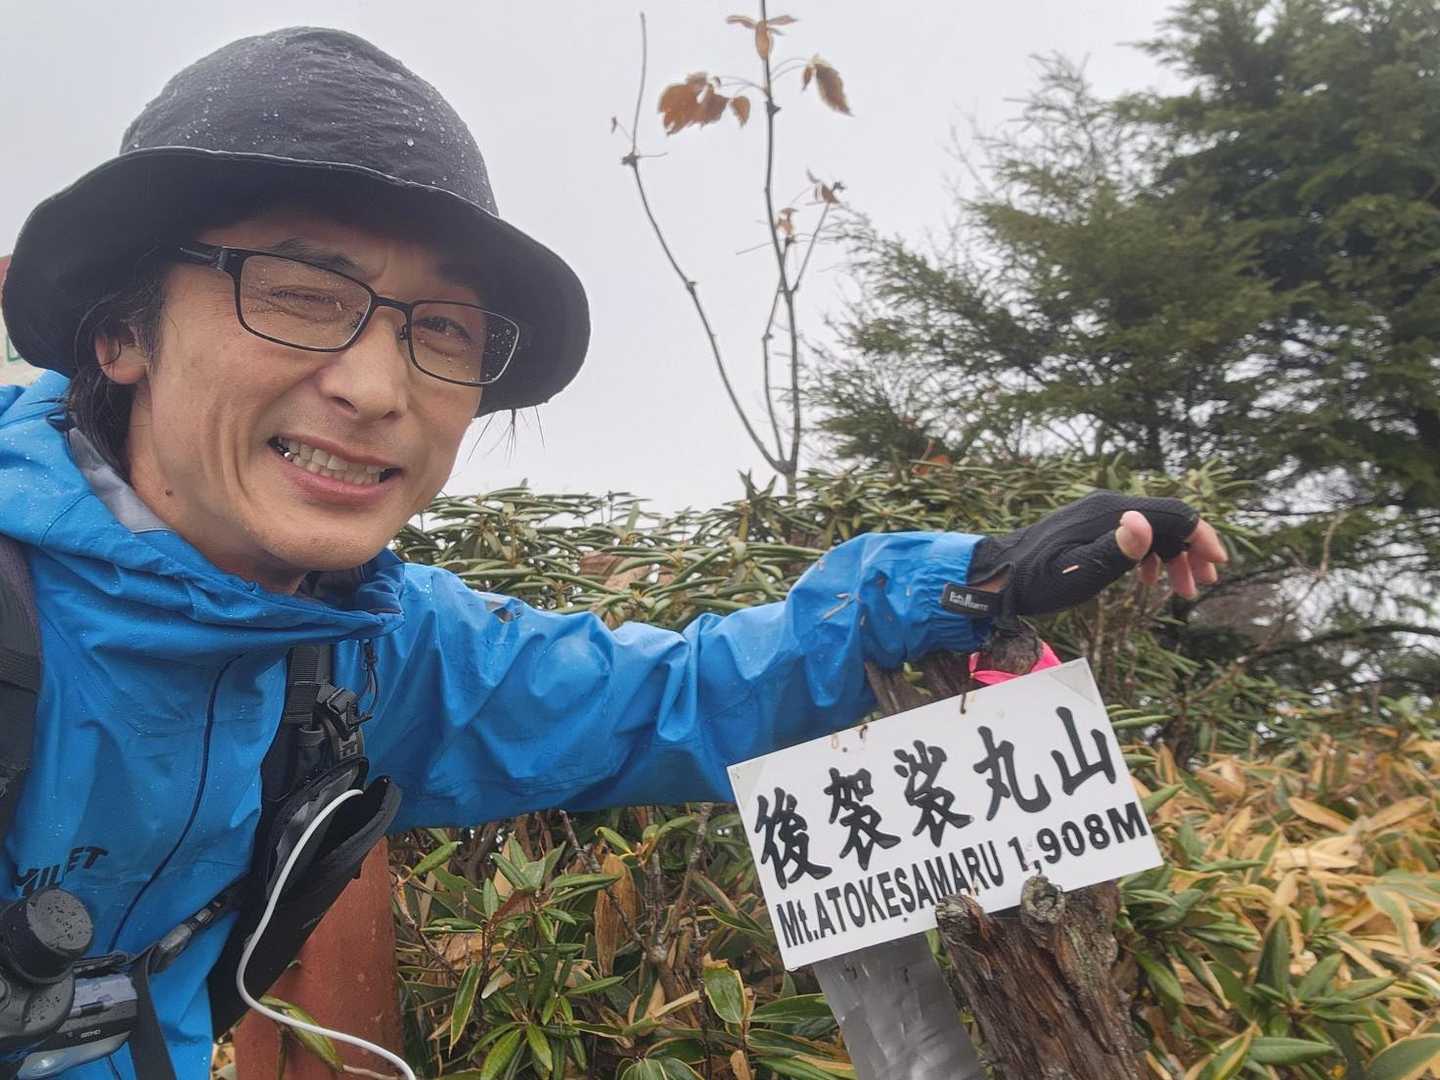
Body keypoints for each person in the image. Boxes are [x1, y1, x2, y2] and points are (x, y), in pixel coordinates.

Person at [0, 26, 1226, 1080]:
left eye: (445, 327)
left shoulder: (369, 656)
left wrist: (974, 577)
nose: (377, 386)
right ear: (121, 333)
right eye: (299, 291)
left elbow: (681, 696)